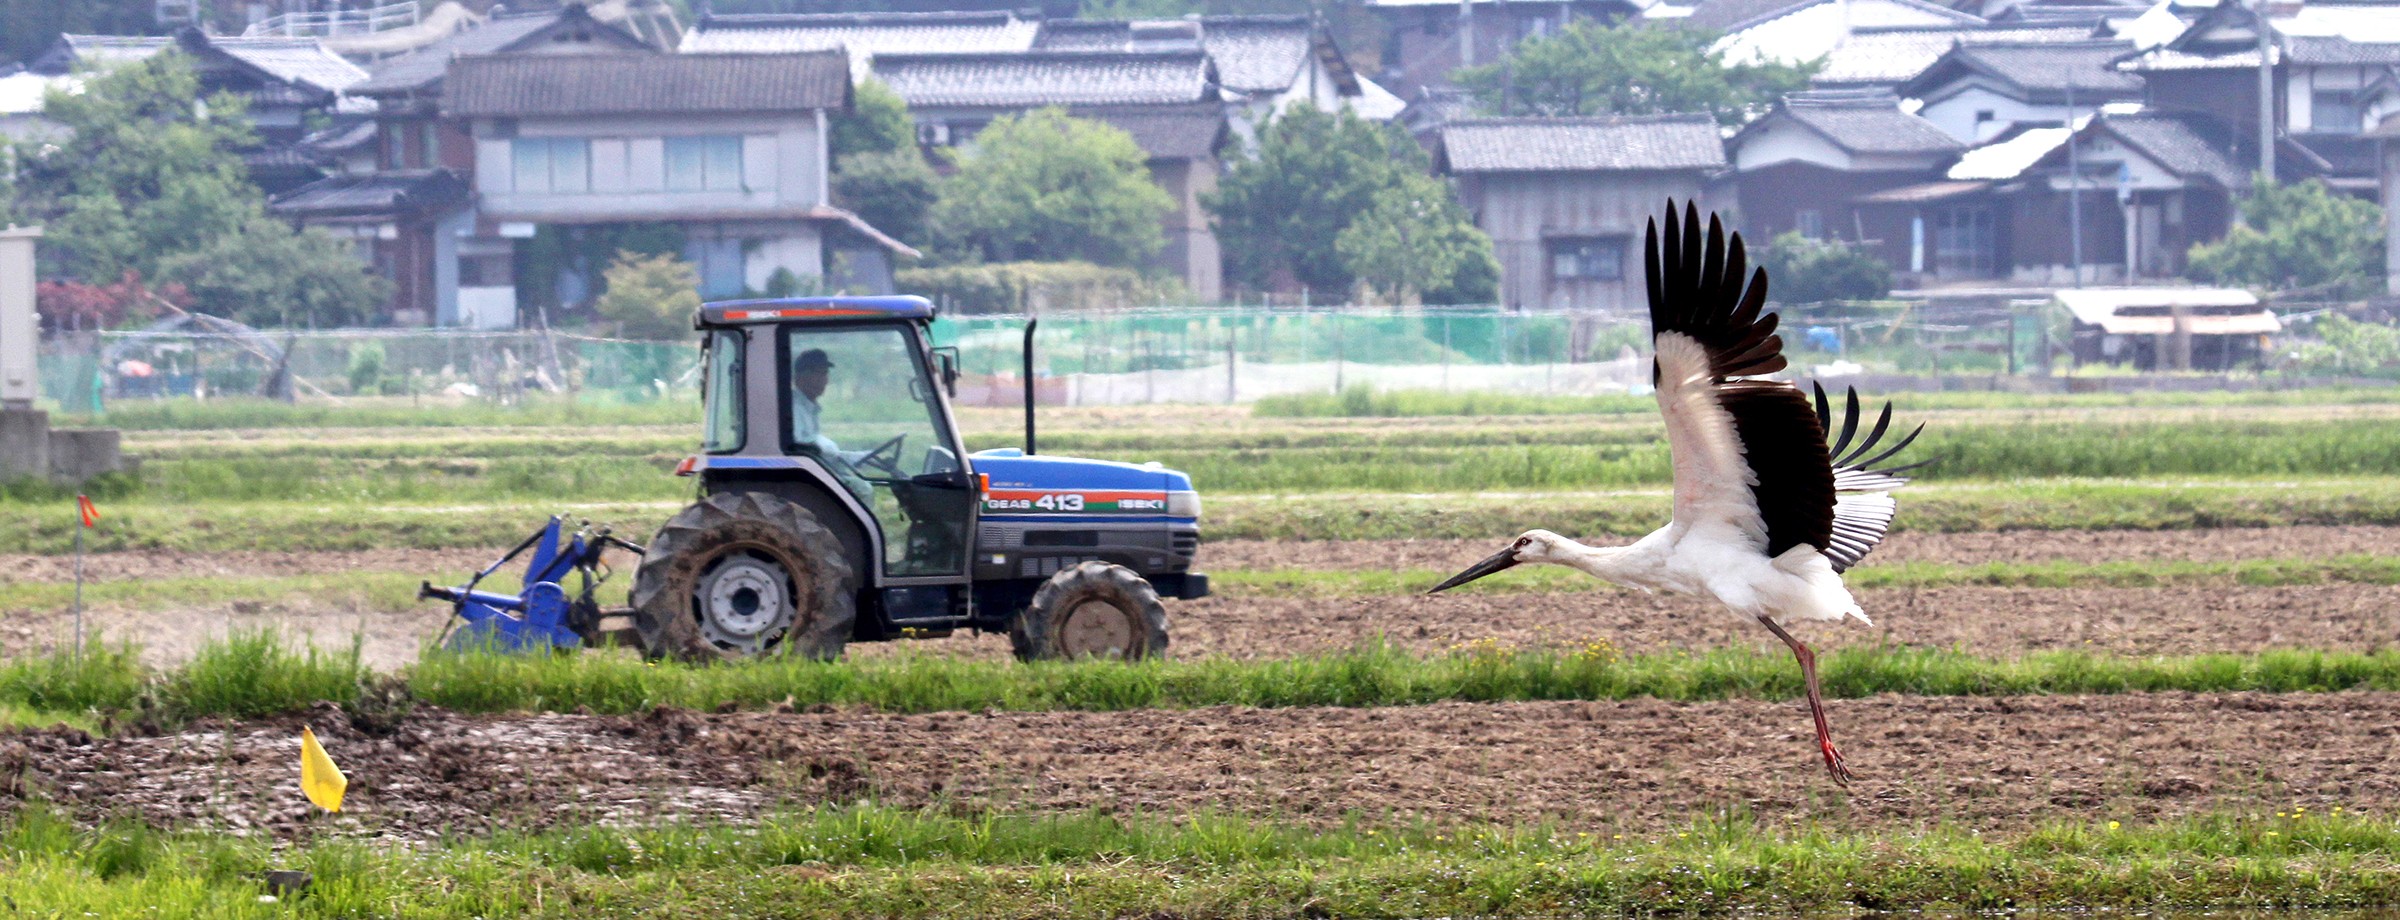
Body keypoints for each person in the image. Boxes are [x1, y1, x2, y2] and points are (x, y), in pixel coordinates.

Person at [791, 348, 875, 502]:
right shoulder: (793, 408)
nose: (825, 380)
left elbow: (827, 454)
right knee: (862, 489)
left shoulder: (808, 407)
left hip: (817, 470)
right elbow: (806, 448)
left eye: (825, 374)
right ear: (800, 377)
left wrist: (866, 457)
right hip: (808, 476)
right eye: (819, 373)